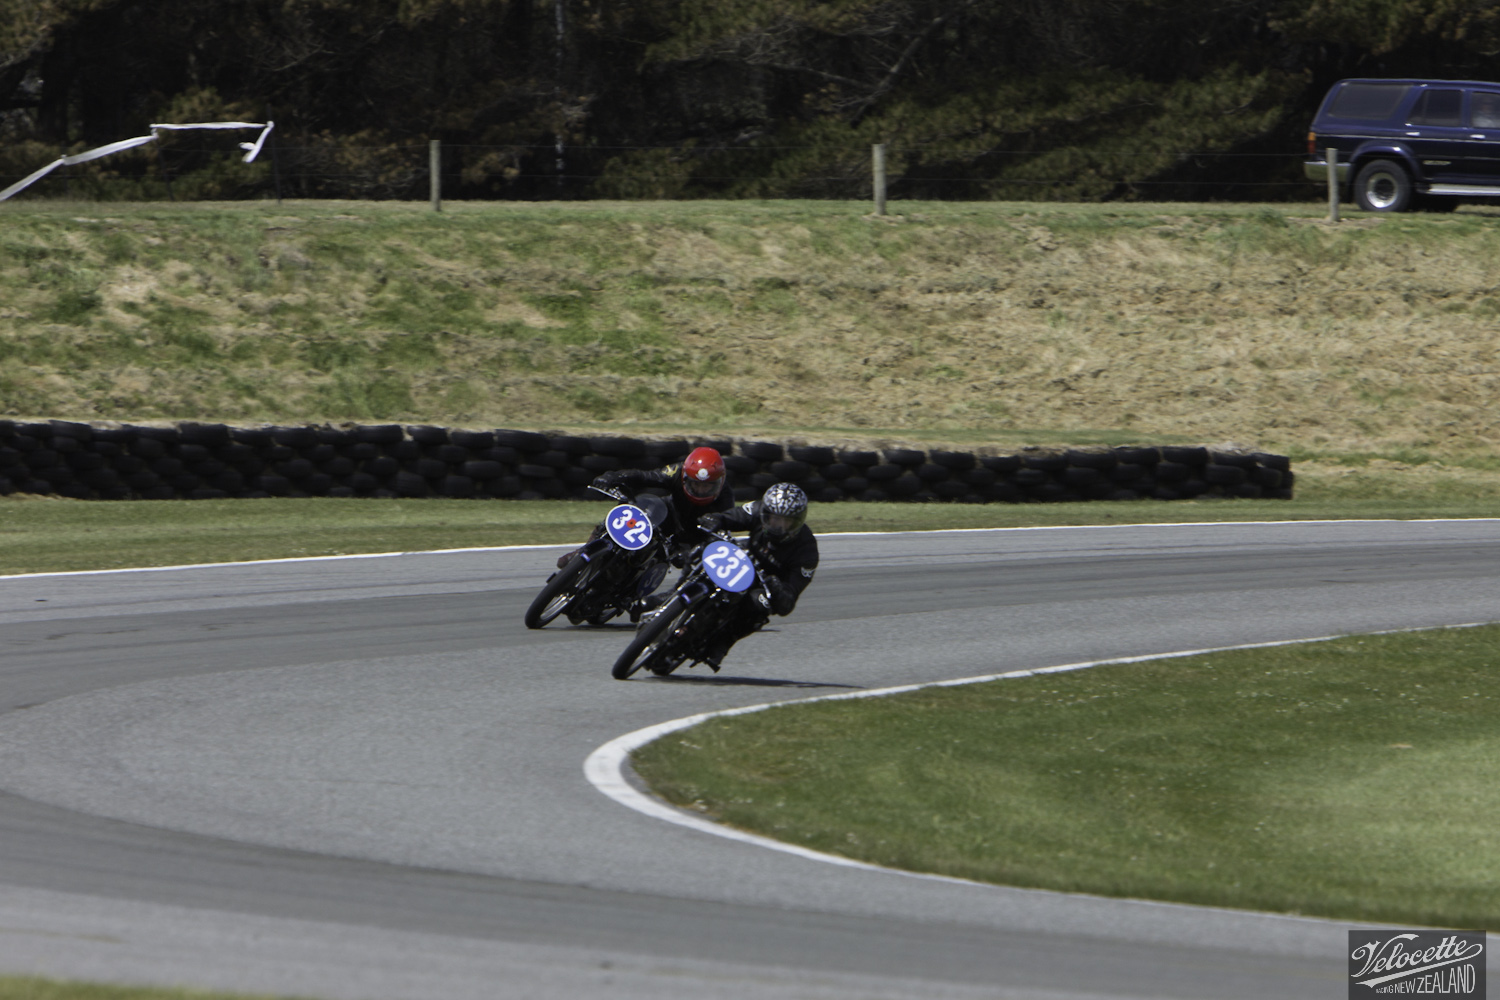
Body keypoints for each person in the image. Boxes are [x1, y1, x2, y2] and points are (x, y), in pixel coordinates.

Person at [692, 482, 819, 670]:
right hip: (742, 558)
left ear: (797, 522)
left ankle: (722, 644)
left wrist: (778, 589)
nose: (778, 526)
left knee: (760, 606)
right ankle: (674, 593)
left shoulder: (807, 552)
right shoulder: (757, 509)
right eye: (774, 518)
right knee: (702, 549)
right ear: (765, 513)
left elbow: (788, 602)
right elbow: (730, 517)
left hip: (765, 583)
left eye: (786, 521)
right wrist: (715, 520)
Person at [556, 446, 733, 568]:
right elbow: (646, 476)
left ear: (719, 483)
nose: (700, 490)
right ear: (686, 478)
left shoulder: (725, 500)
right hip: (670, 515)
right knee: (631, 509)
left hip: (692, 538)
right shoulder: (677, 472)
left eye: (707, 486)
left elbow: (720, 537)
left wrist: (691, 553)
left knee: (685, 567)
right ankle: (585, 550)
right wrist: (613, 477)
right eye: (695, 484)